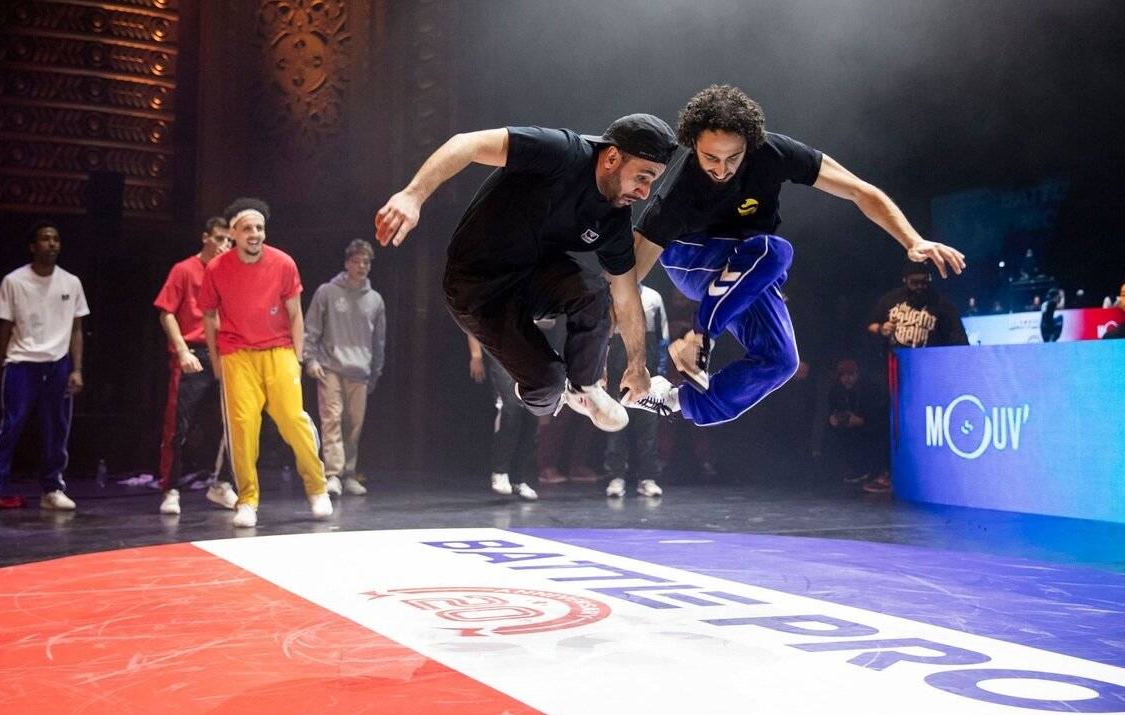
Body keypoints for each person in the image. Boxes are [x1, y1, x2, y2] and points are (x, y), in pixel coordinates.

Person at [627, 84, 967, 429]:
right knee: (774, 250)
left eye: (733, 158)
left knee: (781, 361)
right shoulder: (679, 190)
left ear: (750, 145)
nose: (721, 170)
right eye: (710, 158)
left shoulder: (774, 153)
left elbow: (859, 191)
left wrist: (912, 240)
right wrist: (627, 359)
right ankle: (701, 337)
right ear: (694, 145)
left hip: (746, 267)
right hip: (692, 261)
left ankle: (674, 400)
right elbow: (628, 276)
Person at [374, 114, 679, 433]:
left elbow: (626, 295)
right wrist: (413, 195)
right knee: (547, 384)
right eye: (642, 178)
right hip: (477, 287)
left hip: (533, 277)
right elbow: (467, 143)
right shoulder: (561, 152)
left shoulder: (614, 219)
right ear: (612, 158)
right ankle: (549, 390)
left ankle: (584, 387)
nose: (645, 193)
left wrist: (637, 364)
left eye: (651, 183)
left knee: (595, 292)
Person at [199, 197, 331, 527]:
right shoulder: (216, 269)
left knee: (292, 419)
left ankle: (317, 488)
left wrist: (297, 358)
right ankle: (247, 500)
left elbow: (295, 314)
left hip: (279, 350)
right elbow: (209, 316)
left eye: (259, 228)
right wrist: (216, 360)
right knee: (242, 427)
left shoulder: (283, 263)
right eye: (247, 229)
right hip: (237, 354)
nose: (255, 234)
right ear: (233, 233)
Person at [0, 223, 88, 515]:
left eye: (56, 239)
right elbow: (4, 326)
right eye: (45, 239)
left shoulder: (71, 282)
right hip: (21, 362)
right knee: (10, 425)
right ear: (33, 246)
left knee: (57, 428)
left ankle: (52, 488)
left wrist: (77, 369)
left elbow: (76, 328)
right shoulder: (14, 281)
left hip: (58, 363)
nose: (52, 244)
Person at [153, 217, 238, 516]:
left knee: (234, 423)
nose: (224, 245)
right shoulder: (185, 269)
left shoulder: (231, 272)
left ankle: (222, 483)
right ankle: (170, 488)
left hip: (225, 354)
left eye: (229, 241)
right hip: (194, 352)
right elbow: (166, 312)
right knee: (178, 425)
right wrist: (181, 351)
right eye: (219, 239)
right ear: (205, 238)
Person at [304, 239, 386, 497]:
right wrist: (310, 359)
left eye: (366, 262)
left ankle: (349, 473)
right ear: (347, 263)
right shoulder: (327, 292)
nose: (361, 266)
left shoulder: (375, 300)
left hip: (360, 371)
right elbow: (311, 328)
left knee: (353, 426)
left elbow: (379, 341)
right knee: (332, 420)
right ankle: (333, 475)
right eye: (356, 261)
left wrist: (375, 372)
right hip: (331, 367)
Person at [604, 282, 668, 498]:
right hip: (617, 370)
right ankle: (616, 476)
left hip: (647, 371)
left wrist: (661, 372)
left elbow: (662, 337)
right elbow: (605, 337)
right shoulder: (611, 297)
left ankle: (648, 477)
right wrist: (603, 369)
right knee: (616, 424)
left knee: (648, 426)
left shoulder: (654, 297)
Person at [468, 334, 538, 501]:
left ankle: (518, 479)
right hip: (502, 354)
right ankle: (500, 471)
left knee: (532, 415)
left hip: (530, 356)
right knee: (511, 408)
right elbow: (472, 324)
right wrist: (476, 356)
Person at [869, 261, 970, 350]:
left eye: (924, 282)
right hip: (896, 358)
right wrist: (881, 328)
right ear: (905, 280)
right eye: (915, 282)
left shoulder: (941, 304)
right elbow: (871, 326)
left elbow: (959, 337)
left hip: (929, 358)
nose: (920, 286)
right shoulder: (890, 299)